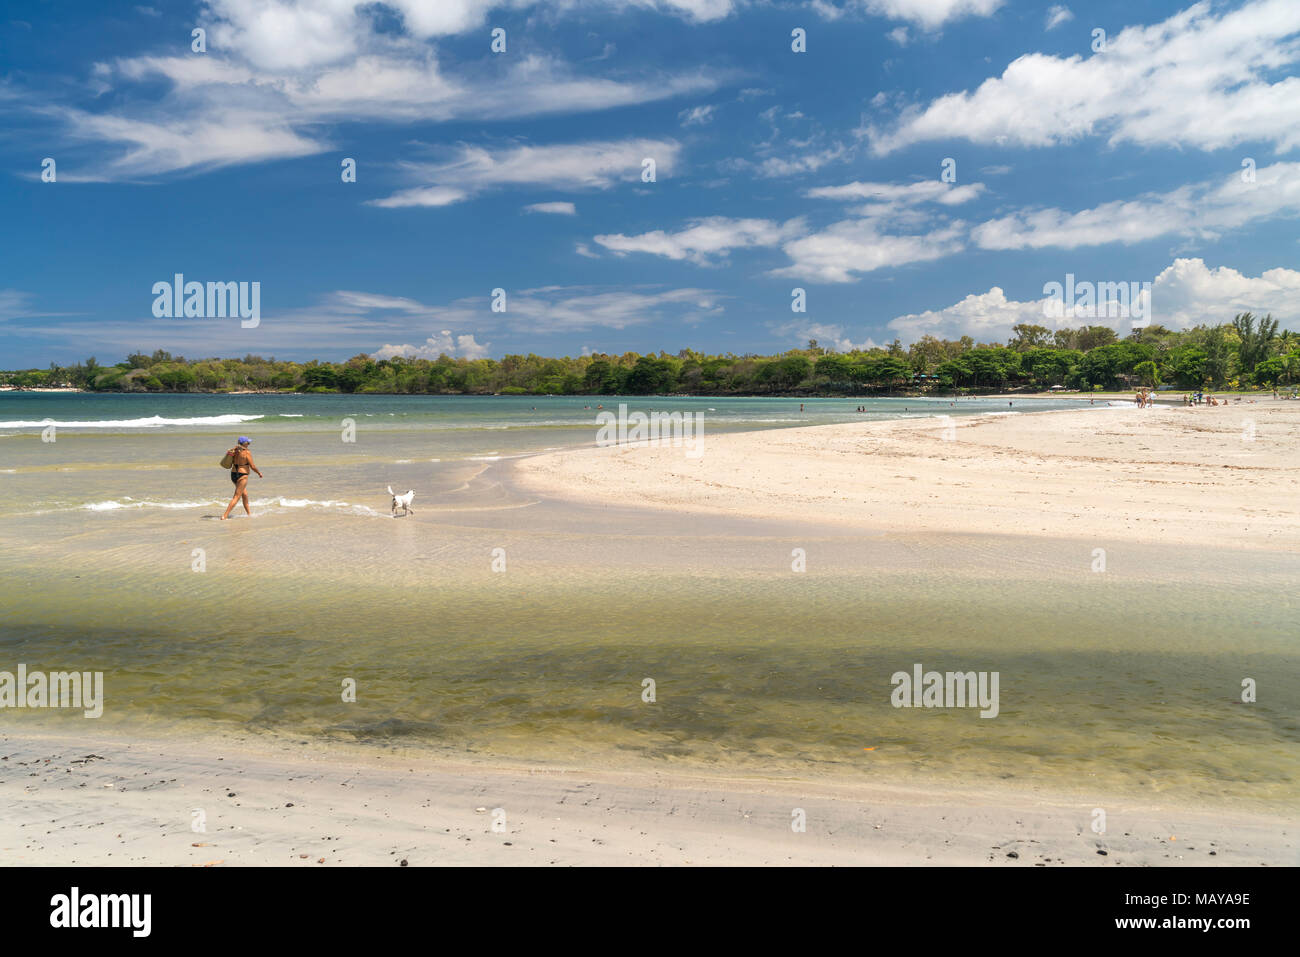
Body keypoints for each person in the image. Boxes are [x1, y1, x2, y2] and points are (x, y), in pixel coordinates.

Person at [221, 436, 263, 521]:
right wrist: (259, 473)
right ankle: (224, 516)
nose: (249, 444)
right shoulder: (247, 452)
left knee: (245, 495)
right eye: (248, 442)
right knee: (236, 497)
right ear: (244, 443)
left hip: (233, 474)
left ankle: (249, 514)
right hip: (242, 475)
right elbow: (252, 466)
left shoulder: (234, 450)